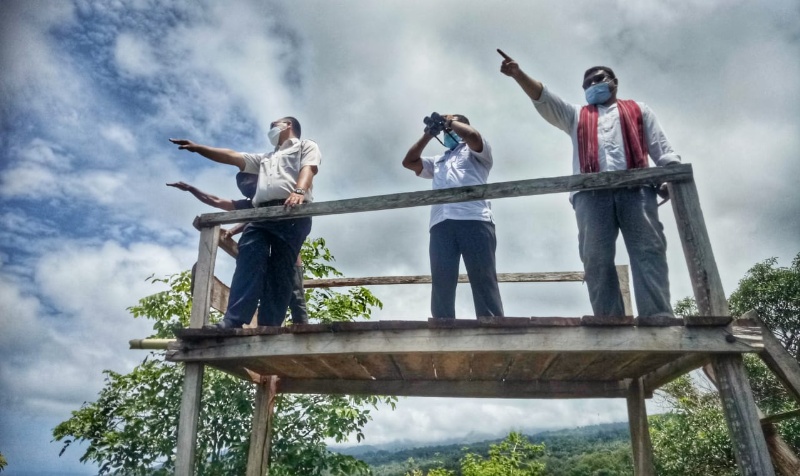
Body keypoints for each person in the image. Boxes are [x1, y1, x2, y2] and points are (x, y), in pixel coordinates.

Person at [498, 49, 680, 320]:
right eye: (587, 85)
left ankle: (657, 315)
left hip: (637, 191)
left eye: (598, 80)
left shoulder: (639, 110)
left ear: (613, 82)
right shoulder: (575, 116)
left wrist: (670, 177)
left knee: (648, 251)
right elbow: (545, 99)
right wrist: (517, 74)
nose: (593, 86)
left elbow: (662, 149)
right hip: (591, 196)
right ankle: (610, 319)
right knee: (595, 258)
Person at [170, 116, 320, 329]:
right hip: (261, 214)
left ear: (288, 126)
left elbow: (309, 168)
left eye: (274, 125)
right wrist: (198, 148)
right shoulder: (265, 159)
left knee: (281, 270)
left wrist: (299, 190)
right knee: (248, 259)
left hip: (293, 211)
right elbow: (232, 156)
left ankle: (270, 325)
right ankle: (233, 320)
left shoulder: (306, 145)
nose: (270, 129)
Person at [166, 175, 309, 325]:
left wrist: (234, 229)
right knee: (265, 287)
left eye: (249, 182)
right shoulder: (253, 204)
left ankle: (301, 325)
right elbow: (216, 201)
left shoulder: (279, 194)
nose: (246, 187)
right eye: (243, 187)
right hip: (265, 258)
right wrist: (191, 188)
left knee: (294, 292)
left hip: (288, 256)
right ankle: (266, 325)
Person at [402, 113, 504, 319]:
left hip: (475, 219)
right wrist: (429, 135)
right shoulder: (439, 160)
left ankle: (493, 324)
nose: (448, 131)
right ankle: (442, 325)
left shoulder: (478, 153)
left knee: (483, 276)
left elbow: (473, 136)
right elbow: (409, 162)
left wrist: (449, 122)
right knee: (442, 279)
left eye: (452, 126)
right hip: (441, 223)